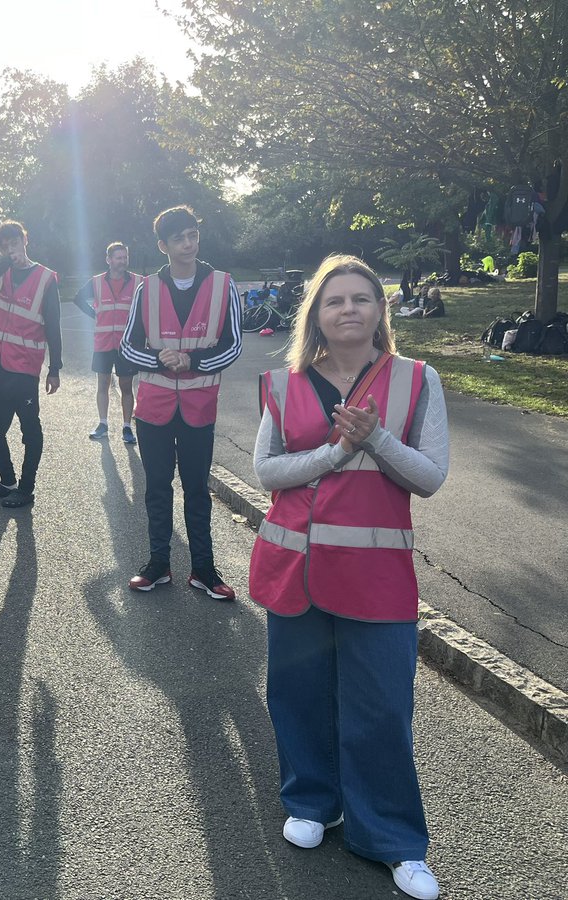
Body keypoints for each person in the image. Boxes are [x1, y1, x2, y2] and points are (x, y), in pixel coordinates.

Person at [249, 254, 449, 900]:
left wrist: (377, 442)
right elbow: (267, 471)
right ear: (317, 314)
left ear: (380, 311)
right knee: (298, 695)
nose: (349, 310)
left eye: (362, 299)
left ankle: (393, 839)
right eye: (335, 301)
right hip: (296, 570)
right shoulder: (284, 385)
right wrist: (336, 452)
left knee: (382, 708)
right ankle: (312, 802)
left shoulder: (418, 380)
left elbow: (430, 476)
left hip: (375, 575)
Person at [120, 206, 241, 597]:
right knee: (156, 487)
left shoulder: (223, 284)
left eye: (193, 235)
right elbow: (127, 346)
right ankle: (158, 564)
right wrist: (158, 358)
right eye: (178, 238)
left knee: (196, 489)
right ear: (163, 246)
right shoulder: (147, 288)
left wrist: (192, 361)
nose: (188, 244)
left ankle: (204, 569)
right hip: (153, 407)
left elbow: (233, 344)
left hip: (199, 407)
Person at [0, 221, 61, 509]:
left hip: (24, 368)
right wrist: (1, 263)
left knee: (30, 429)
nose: (11, 248)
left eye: (15, 242)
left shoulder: (45, 278)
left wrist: (54, 367)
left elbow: (54, 325)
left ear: (25, 240)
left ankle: (26, 487)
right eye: (4, 245)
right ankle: (7, 480)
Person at [72, 241, 140, 443]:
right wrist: (96, 315)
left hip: (126, 345)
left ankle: (127, 427)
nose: (123, 261)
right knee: (103, 384)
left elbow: (149, 303)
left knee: (126, 386)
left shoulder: (138, 281)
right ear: (109, 260)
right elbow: (78, 298)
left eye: (125, 257)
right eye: (118, 258)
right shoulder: (96, 281)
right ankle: (103, 423)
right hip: (103, 342)